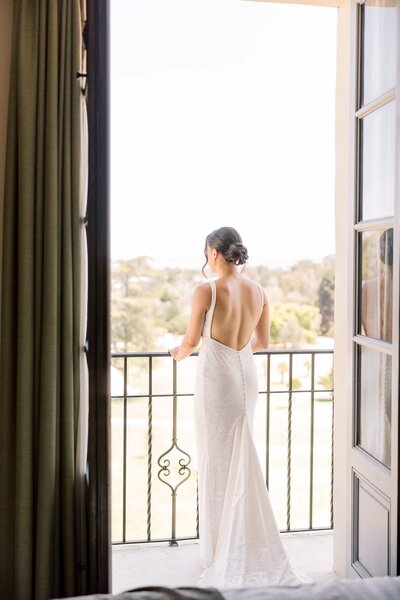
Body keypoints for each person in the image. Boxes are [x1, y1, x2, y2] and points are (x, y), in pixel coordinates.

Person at [169, 227, 306, 589]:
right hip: (246, 376)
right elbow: (261, 341)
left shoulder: (206, 291)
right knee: (241, 459)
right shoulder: (259, 291)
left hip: (217, 381)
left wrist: (177, 353)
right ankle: (239, 543)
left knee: (217, 461)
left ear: (214, 253)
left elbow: (191, 340)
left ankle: (218, 553)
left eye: (205, 252)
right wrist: (237, 352)